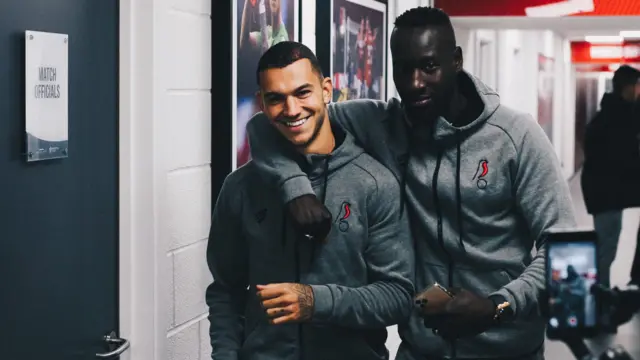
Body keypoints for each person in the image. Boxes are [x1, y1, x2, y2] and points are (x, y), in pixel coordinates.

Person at [244, 7, 576, 360]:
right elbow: (270, 123)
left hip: (508, 348)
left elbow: (565, 247)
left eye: (429, 67)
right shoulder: (381, 123)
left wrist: (499, 304)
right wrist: (295, 186)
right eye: (404, 68)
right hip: (421, 349)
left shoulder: (516, 137)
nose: (415, 83)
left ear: (456, 61)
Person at [205, 41, 415, 360]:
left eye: (303, 92)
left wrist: (316, 301)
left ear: (326, 90)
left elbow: (397, 297)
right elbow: (225, 290)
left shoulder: (374, 183)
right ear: (262, 103)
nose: (291, 110)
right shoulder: (240, 187)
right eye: (276, 98)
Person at [581, 65, 640, 288]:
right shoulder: (616, 118)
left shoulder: (614, 112)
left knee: (606, 247)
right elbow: (622, 158)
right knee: (606, 248)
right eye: (637, 86)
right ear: (628, 88)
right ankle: (599, 299)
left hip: (607, 192)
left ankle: (600, 295)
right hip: (605, 194)